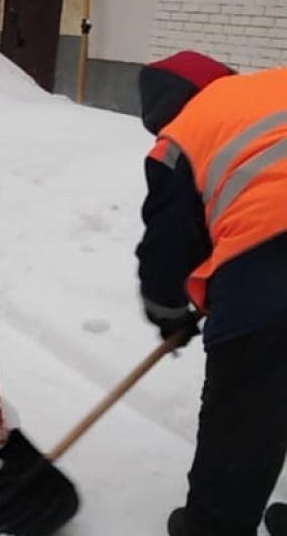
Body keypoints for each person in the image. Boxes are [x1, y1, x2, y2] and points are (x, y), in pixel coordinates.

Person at [135, 50, 287, 536]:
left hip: (271, 268)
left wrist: (169, 312)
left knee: (245, 411)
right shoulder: (269, 89)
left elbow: (169, 246)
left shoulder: (180, 138)